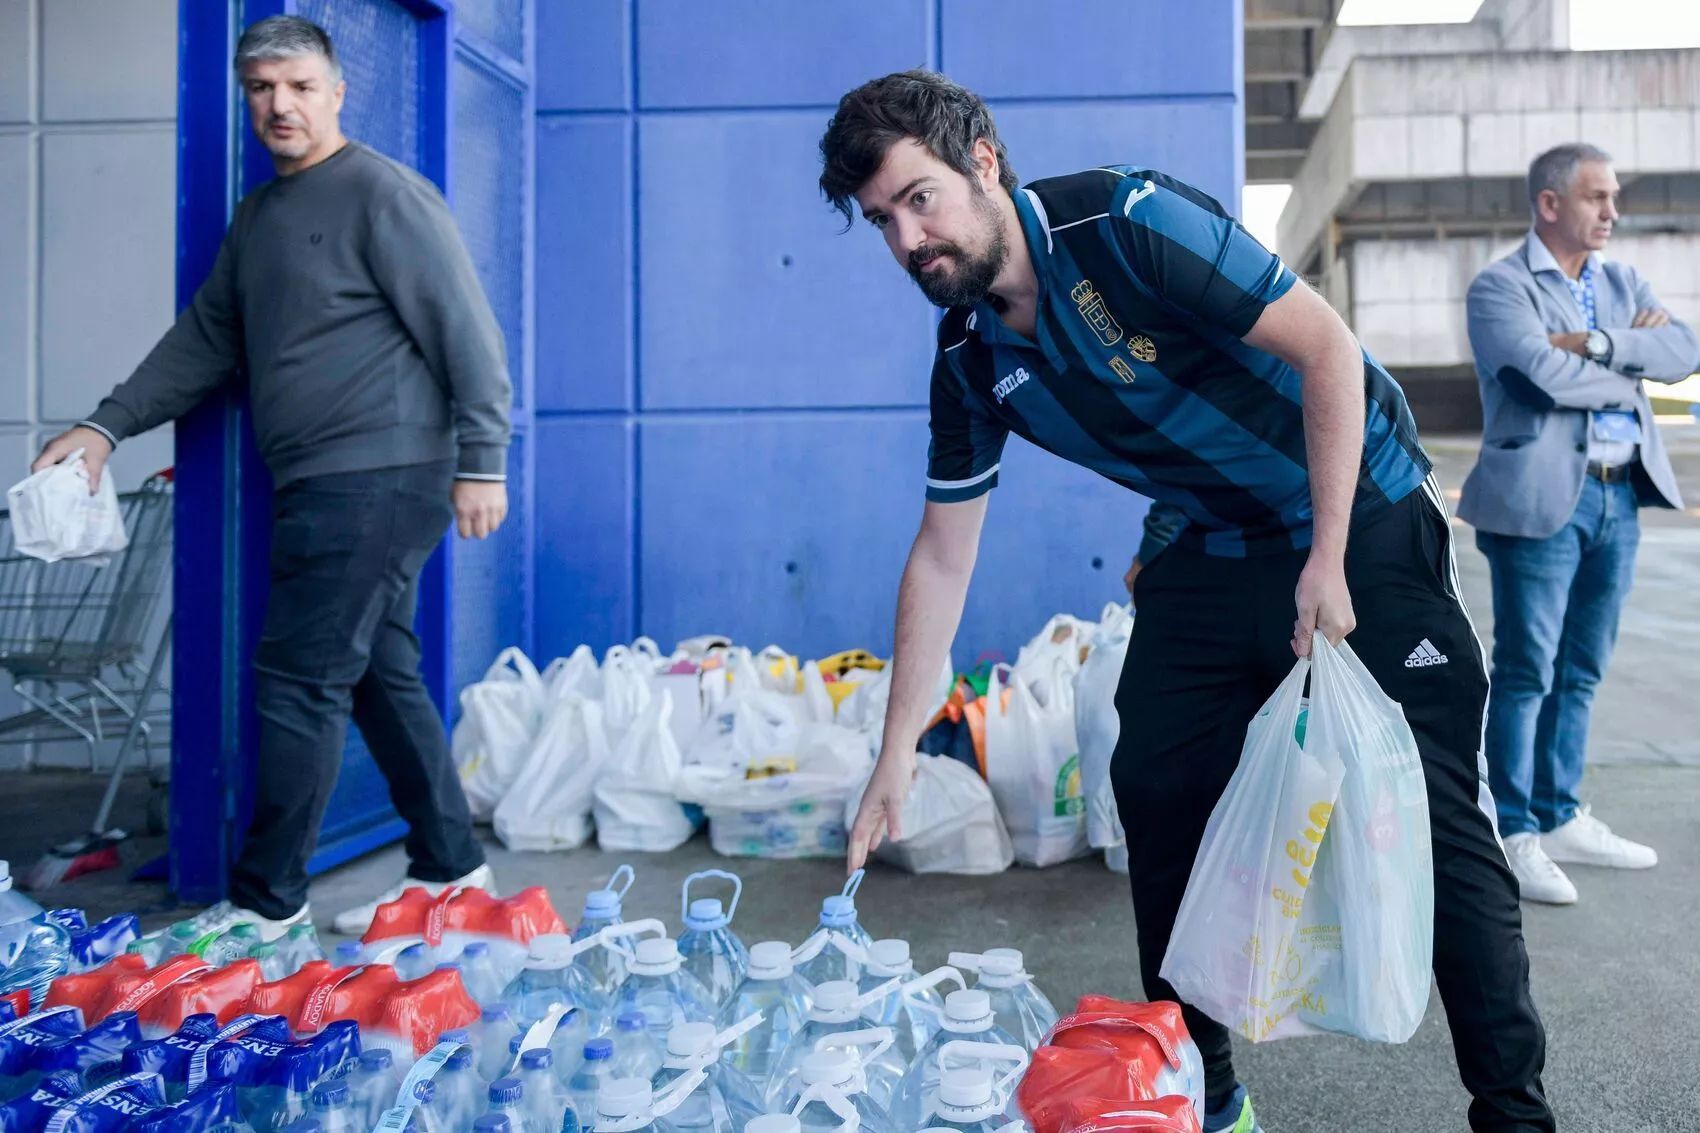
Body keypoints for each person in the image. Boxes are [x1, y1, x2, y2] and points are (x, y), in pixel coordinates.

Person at [831, 71, 1551, 1131]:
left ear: (982, 159)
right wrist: (893, 755)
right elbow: (941, 554)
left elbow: (1326, 350)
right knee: (1156, 789)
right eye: (882, 220)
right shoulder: (968, 362)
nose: (906, 239)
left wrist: (1331, 555)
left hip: (1361, 511)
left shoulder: (1126, 223)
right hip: (1209, 545)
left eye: (919, 197)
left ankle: (1513, 1112)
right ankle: (1200, 1098)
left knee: (1434, 820)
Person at [32, 16, 510, 939]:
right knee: (379, 672)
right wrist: (103, 426)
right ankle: (454, 876)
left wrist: (483, 462)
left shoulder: (383, 194)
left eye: (297, 85)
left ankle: (265, 906)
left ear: (336, 92)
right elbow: (206, 341)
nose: (278, 104)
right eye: (260, 88)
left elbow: (470, 336)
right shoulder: (260, 217)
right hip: (324, 479)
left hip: (379, 472)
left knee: (296, 678)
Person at [1460, 143, 1695, 906]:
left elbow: (1684, 350)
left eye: (1614, 197)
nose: (1612, 213)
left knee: (1583, 667)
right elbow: (1535, 372)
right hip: (1540, 499)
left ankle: (1561, 814)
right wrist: (1634, 369)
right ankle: (1514, 827)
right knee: (1528, 667)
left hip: (1617, 496)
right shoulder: (1501, 286)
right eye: (1597, 197)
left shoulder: (1621, 281)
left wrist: (1600, 343)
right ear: (1550, 203)